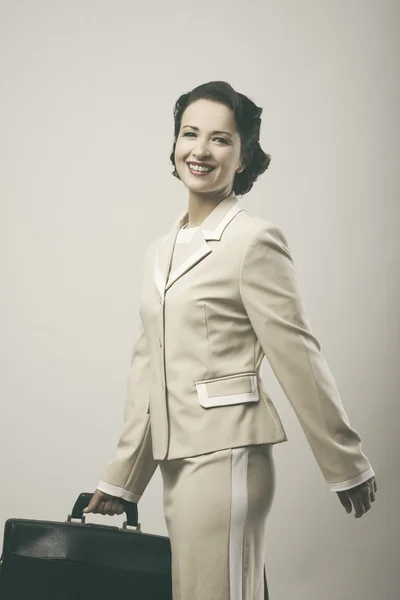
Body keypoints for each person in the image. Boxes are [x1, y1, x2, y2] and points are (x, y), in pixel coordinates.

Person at [83, 81, 377, 600]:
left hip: (230, 455)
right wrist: (124, 478)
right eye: (189, 134)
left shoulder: (253, 240)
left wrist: (345, 462)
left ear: (243, 157)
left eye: (220, 139)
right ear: (175, 144)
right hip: (180, 463)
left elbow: (297, 355)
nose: (200, 150)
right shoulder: (159, 249)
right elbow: (150, 367)